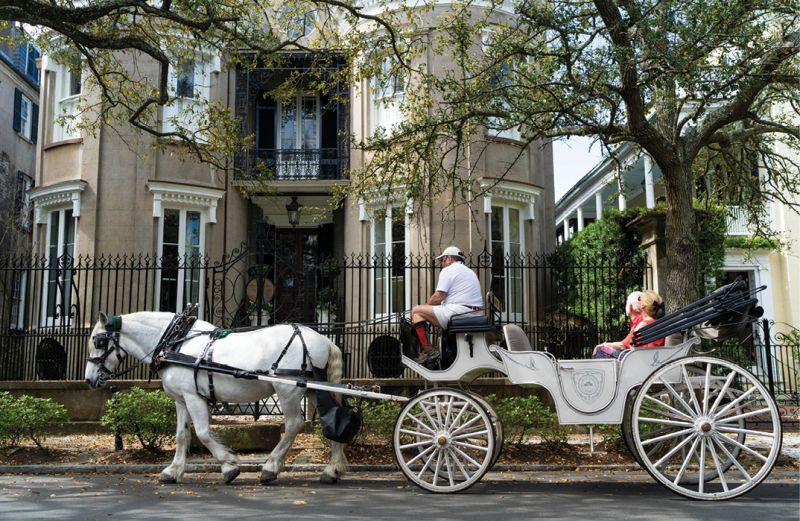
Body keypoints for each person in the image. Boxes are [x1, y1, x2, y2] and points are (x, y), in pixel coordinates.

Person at [411, 246, 483, 362]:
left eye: (442, 260)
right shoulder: (469, 271)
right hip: (474, 312)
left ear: (449, 258)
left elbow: (439, 297)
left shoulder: (449, 270)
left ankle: (428, 350)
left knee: (416, 311)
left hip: (459, 312)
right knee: (421, 311)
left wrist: (425, 307)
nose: (441, 264)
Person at [593, 290, 666, 359]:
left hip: (639, 361)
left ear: (642, 305)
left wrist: (605, 345)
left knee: (600, 350)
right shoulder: (658, 323)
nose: (638, 301)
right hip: (654, 359)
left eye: (639, 299)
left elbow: (631, 349)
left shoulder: (642, 326)